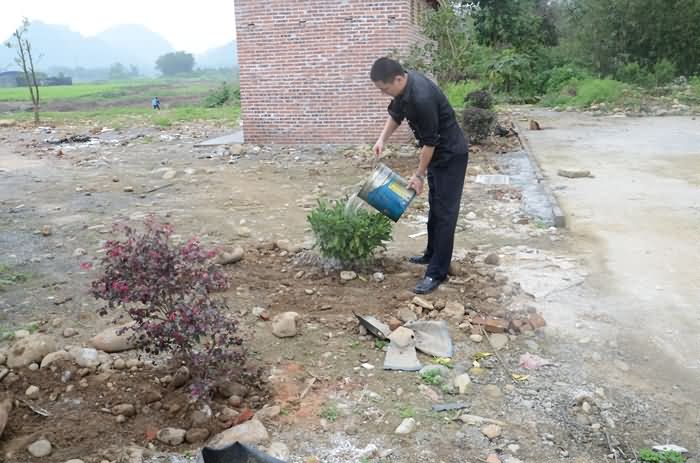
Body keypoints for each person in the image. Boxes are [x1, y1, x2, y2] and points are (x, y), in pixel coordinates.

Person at [370, 57, 469, 295]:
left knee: (445, 214)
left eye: (385, 89)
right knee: (435, 206)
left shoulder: (421, 98)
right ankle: (431, 254)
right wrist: (382, 139)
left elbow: (429, 144)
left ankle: (437, 272)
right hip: (436, 154)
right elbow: (396, 115)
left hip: (450, 156)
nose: (384, 93)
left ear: (398, 79)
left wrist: (419, 175)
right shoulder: (403, 87)